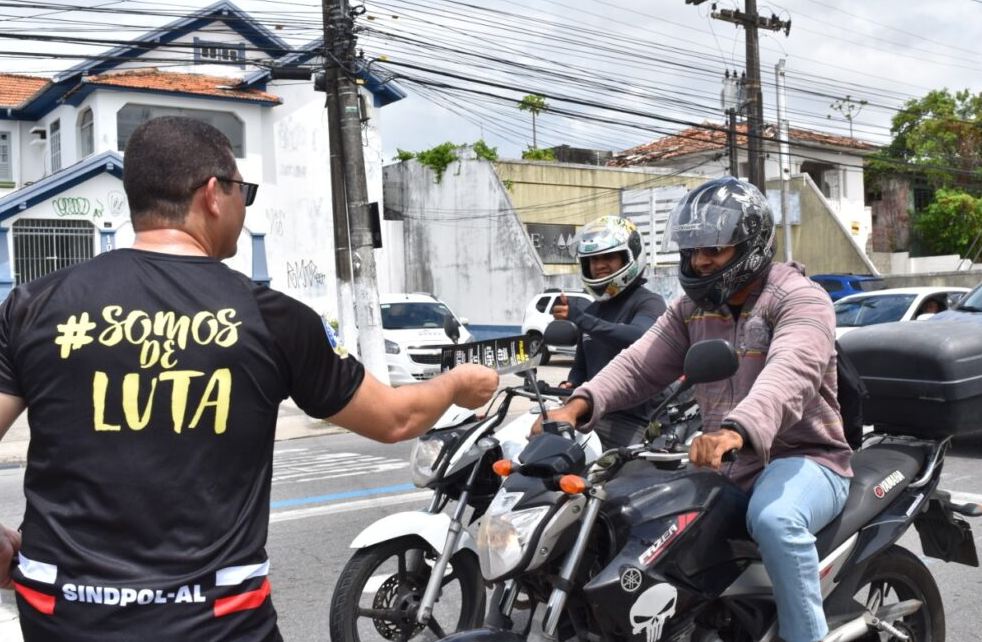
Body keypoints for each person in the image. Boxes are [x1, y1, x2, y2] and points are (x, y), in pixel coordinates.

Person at [0, 116, 498, 641]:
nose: (244, 206)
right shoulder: (272, 318)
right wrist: (459, 384)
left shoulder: (34, 307)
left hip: (63, 615)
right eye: (245, 191)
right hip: (217, 623)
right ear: (214, 194)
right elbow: (396, 419)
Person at [545, 177, 853, 642]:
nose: (700, 261)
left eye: (714, 249)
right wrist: (578, 405)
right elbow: (639, 364)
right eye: (691, 250)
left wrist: (736, 431)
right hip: (726, 465)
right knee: (633, 519)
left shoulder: (798, 298)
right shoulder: (690, 309)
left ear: (749, 244)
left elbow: (792, 371)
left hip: (806, 458)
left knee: (776, 521)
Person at [551, 215, 667, 448]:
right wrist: (571, 383)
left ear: (630, 256)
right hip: (595, 413)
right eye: (593, 260)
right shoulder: (592, 310)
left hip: (638, 421)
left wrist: (581, 318)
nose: (599, 265)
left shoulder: (649, 303)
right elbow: (582, 367)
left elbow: (637, 337)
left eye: (609, 257)